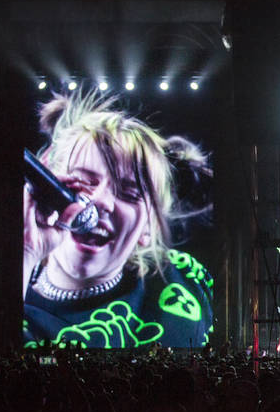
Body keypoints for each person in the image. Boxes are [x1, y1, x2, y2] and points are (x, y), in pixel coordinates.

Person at [23, 90, 213, 349]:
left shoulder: (187, 279)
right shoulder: (16, 292)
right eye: (84, 181)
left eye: (130, 193)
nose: (102, 201)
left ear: (149, 227)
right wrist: (27, 251)